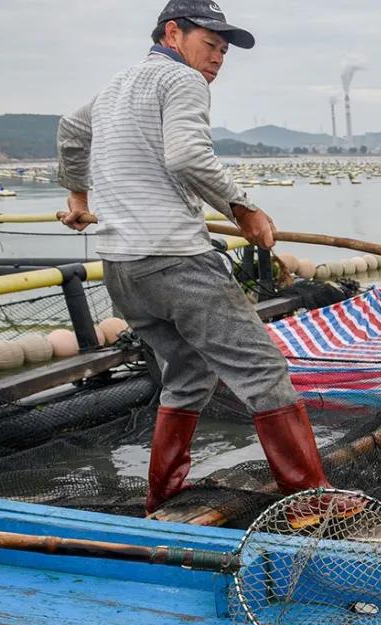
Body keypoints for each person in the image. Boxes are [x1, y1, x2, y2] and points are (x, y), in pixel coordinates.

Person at [57, 1, 330, 513]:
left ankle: (163, 493)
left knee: (188, 371)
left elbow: (71, 131)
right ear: (173, 32)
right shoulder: (183, 82)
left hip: (123, 269)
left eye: (224, 52)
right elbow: (186, 155)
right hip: (176, 259)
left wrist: (78, 199)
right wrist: (244, 207)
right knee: (262, 369)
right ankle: (311, 503)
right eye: (210, 45)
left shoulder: (115, 87)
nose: (218, 59)